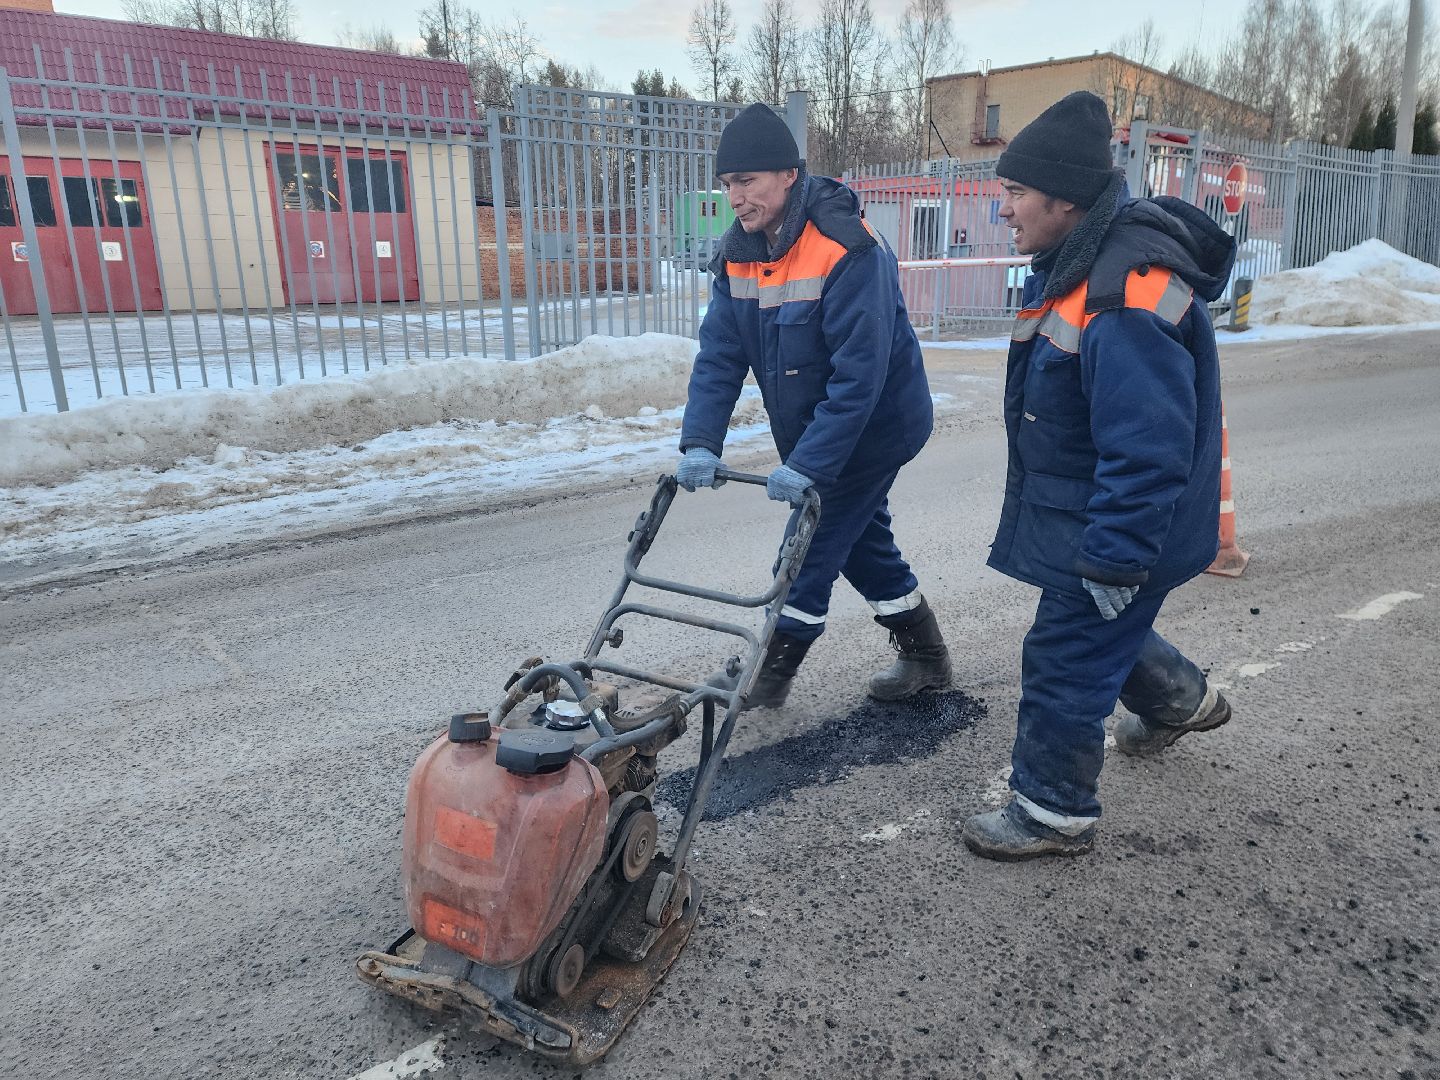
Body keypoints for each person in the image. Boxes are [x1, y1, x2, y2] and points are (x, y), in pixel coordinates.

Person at [961, 91, 1238, 860]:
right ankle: (1183, 699)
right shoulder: (1079, 266)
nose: (1004, 210)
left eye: (1015, 194)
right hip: (1105, 516)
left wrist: (1117, 553)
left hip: (1124, 525)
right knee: (1103, 625)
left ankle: (1052, 812)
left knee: (1067, 651)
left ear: (1066, 199)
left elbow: (1148, 446)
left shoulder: (1121, 296)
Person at [676, 103, 950, 710]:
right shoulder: (741, 252)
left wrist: (811, 464)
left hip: (877, 424)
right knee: (861, 543)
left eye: (746, 181)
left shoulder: (847, 249)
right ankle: (926, 656)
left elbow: (860, 376)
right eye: (727, 184)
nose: (735, 197)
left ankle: (766, 674)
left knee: (812, 543)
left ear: (789, 175)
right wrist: (700, 440)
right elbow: (721, 354)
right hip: (818, 431)